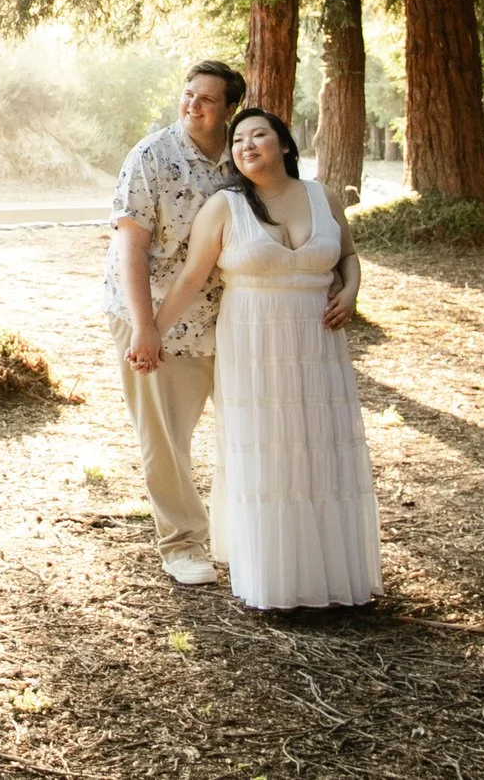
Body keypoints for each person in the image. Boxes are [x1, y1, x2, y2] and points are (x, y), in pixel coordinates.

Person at [148, 106, 382, 610]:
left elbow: (347, 255)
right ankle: (274, 578)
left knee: (321, 448)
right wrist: (150, 334)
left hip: (319, 345)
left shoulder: (322, 196)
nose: (246, 145)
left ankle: (328, 575)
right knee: (268, 449)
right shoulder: (225, 206)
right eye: (237, 140)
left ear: (285, 145)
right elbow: (191, 279)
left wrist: (351, 291)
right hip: (253, 345)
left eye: (258, 135)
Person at [105, 60, 243, 585]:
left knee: (243, 429)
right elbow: (131, 247)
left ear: (229, 109)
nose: (192, 104)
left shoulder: (241, 156)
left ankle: (241, 534)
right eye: (188, 94)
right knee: (166, 436)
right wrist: (145, 327)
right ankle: (181, 543)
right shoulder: (152, 156)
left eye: (206, 99)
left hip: (228, 319)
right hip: (156, 315)